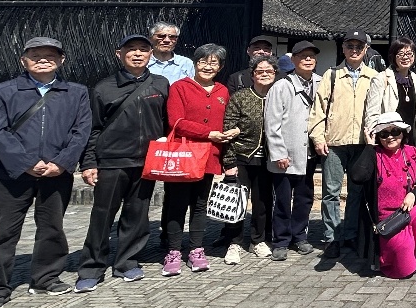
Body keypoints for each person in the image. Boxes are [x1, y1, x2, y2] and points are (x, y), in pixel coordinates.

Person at [0, 36, 92, 308]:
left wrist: (62, 162)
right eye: (36, 55)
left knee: (52, 227)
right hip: (11, 174)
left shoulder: (76, 92)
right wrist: (26, 162)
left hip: (56, 173)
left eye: (50, 55)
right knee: (4, 232)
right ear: (23, 60)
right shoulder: (2, 91)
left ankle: (45, 278)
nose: (43, 60)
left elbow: (81, 131)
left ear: (61, 60)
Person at [75, 33, 170, 292]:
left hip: (146, 161)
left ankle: (127, 262)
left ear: (151, 54)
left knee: (136, 215)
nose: (138, 54)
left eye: (143, 49)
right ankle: (91, 268)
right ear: (119, 54)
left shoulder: (160, 84)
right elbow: (93, 128)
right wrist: (89, 163)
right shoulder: (103, 88)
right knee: (102, 216)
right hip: (112, 161)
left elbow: (166, 122)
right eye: (131, 49)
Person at [162, 44, 238, 276]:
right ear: (195, 64)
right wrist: (208, 133)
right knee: (177, 204)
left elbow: (227, 120)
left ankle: (196, 249)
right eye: (203, 61)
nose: (208, 66)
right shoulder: (180, 87)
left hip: (209, 156)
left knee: (199, 205)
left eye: (214, 63)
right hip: (184, 156)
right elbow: (176, 122)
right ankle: (173, 251)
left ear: (220, 67)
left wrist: (232, 131)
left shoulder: (222, 91)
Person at [309, 28, 379, 259]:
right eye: (350, 46)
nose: (354, 50)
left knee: (356, 192)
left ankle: (350, 233)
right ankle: (331, 237)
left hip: (362, 143)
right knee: (331, 192)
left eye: (359, 46)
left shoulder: (374, 77)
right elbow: (318, 109)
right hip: (335, 142)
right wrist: (318, 137)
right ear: (343, 48)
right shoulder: (331, 75)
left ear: (366, 49)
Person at [348, 112, 416, 279]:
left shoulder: (412, 152)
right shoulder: (374, 154)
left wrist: (413, 194)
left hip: (407, 210)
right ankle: (393, 254)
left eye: (395, 132)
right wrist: (369, 146)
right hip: (387, 218)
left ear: (402, 133)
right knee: (405, 270)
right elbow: (357, 177)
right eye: (384, 133)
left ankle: (415, 249)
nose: (390, 137)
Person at [265, 40, 321, 261]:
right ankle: (280, 240)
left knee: (304, 198)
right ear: (294, 60)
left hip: (309, 153)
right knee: (282, 199)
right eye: (303, 56)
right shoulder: (281, 86)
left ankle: (300, 236)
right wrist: (278, 152)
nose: (308, 59)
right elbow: (272, 123)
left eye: (311, 56)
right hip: (286, 154)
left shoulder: (321, 82)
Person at [220, 54, 280, 259]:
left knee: (262, 202)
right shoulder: (241, 97)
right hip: (242, 157)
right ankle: (234, 242)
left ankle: (258, 240)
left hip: (268, 159)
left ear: (275, 74)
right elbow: (228, 130)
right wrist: (229, 162)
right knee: (236, 201)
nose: (264, 74)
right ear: (252, 75)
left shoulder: (278, 96)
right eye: (259, 71)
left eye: (269, 71)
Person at [364, 39, 416, 142]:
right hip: (388, 139)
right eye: (400, 54)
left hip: (409, 139)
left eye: (409, 53)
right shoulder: (381, 79)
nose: (405, 57)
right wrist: (372, 139)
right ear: (393, 56)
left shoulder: (415, 79)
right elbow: (372, 113)